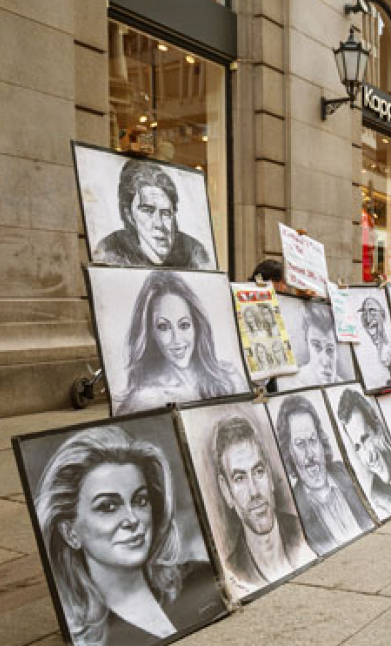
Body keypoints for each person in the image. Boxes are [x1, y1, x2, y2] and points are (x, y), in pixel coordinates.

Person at [34, 426, 224, 646]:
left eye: (140, 500)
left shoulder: (203, 577)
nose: (132, 519)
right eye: (108, 507)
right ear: (70, 533)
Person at [116, 272, 246, 414]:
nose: (177, 340)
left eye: (184, 325)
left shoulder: (230, 378)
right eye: (163, 327)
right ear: (151, 333)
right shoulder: (144, 399)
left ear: (196, 326)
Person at [209, 416, 313, 591]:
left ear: (270, 476)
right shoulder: (233, 572)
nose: (254, 491)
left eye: (258, 472)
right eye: (239, 478)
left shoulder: (303, 532)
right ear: (227, 491)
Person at [274, 395, 373, 556]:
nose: (310, 454)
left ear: (321, 440)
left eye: (313, 440)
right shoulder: (294, 509)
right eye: (300, 444)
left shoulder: (346, 472)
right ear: (288, 452)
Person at [93, 160, 212, 269]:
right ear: (129, 215)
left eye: (166, 213)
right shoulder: (111, 249)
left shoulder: (193, 252)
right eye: (148, 210)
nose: (159, 224)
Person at [336, 388, 391, 514]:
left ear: (378, 429)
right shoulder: (378, 499)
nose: (368, 457)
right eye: (358, 447)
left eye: (366, 438)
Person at [294, 302, 349, 386]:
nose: (325, 362)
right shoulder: (294, 382)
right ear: (307, 345)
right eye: (317, 346)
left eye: (330, 350)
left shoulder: (345, 386)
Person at [357, 296, 391, 386]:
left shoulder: (380, 322)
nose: (368, 314)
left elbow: (382, 334)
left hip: (383, 345)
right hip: (375, 348)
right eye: (366, 311)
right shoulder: (365, 323)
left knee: (388, 358)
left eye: (371, 310)